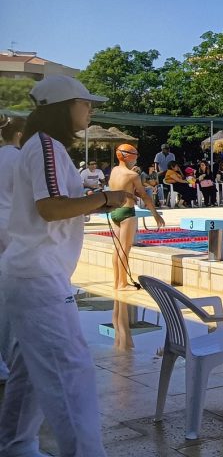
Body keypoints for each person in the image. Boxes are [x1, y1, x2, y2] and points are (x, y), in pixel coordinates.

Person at [0, 75, 133, 457]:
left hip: (30, 273)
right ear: (64, 105)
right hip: (38, 277)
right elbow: (51, 207)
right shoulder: (45, 145)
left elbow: (52, 205)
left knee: (29, 372)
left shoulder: (41, 146)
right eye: (85, 102)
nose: (90, 109)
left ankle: (16, 445)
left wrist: (97, 202)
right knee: (71, 374)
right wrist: (104, 197)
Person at [107, 143, 165, 290]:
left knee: (117, 249)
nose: (136, 160)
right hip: (127, 212)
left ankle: (116, 282)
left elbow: (119, 185)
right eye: (135, 157)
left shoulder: (114, 170)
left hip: (114, 212)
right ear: (129, 158)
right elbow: (144, 195)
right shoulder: (133, 175)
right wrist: (155, 214)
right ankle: (123, 283)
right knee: (125, 249)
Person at [0, 116, 24, 383]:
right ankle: (6, 362)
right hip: (10, 229)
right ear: (19, 134)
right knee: (8, 300)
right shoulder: (18, 159)